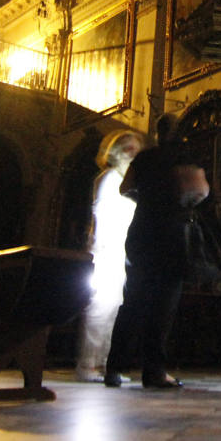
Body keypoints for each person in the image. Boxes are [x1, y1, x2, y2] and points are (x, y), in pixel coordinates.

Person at [104, 115, 209, 389]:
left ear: (158, 132)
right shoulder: (185, 156)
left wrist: (147, 199)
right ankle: (154, 371)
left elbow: (125, 188)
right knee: (163, 307)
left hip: (141, 234)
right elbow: (199, 190)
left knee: (133, 302)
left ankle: (114, 368)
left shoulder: (144, 158)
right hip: (172, 236)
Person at [75, 129, 144, 382]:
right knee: (101, 309)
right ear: (118, 151)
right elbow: (107, 219)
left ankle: (103, 364)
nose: (134, 154)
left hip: (119, 253)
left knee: (113, 309)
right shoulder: (110, 179)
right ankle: (88, 365)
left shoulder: (124, 181)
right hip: (106, 253)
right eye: (129, 148)